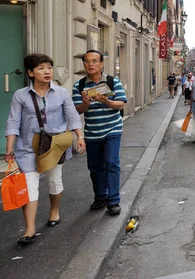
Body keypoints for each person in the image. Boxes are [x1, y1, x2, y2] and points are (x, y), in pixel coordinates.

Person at [4, 54, 85, 245]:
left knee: (54, 182)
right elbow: (13, 121)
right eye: (41, 68)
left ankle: (54, 210)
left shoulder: (61, 93)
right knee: (30, 187)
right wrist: (9, 148)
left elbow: (72, 115)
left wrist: (79, 137)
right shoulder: (20, 95)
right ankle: (30, 229)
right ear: (31, 72)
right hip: (27, 147)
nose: (47, 71)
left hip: (54, 144)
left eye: (49, 67)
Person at [73, 50, 127, 216]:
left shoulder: (112, 82)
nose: (91, 64)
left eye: (94, 61)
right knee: (95, 167)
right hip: (92, 132)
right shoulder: (79, 86)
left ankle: (113, 201)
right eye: (87, 61)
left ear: (101, 64)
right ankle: (100, 196)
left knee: (111, 163)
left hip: (112, 129)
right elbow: (77, 111)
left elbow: (121, 104)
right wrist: (85, 103)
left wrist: (107, 101)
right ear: (83, 64)